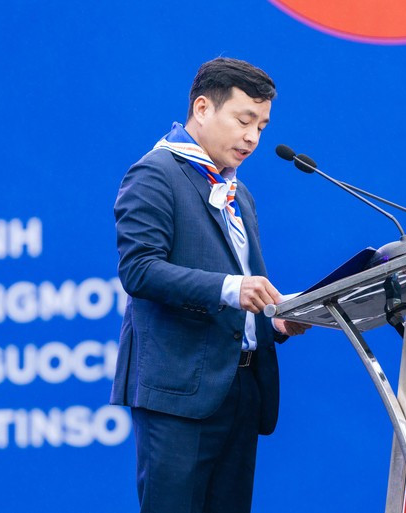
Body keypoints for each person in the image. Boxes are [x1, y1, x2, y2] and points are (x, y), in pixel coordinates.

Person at [111, 57, 310, 513]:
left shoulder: (239, 192)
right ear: (202, 108)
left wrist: (275, 322)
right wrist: (230, 288)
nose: (253, 138)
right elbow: (139, 269)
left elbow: (243, 291)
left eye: (261, 126)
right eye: (244, 121)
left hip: (240, 389)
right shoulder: (155, 174)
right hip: (180, 392)